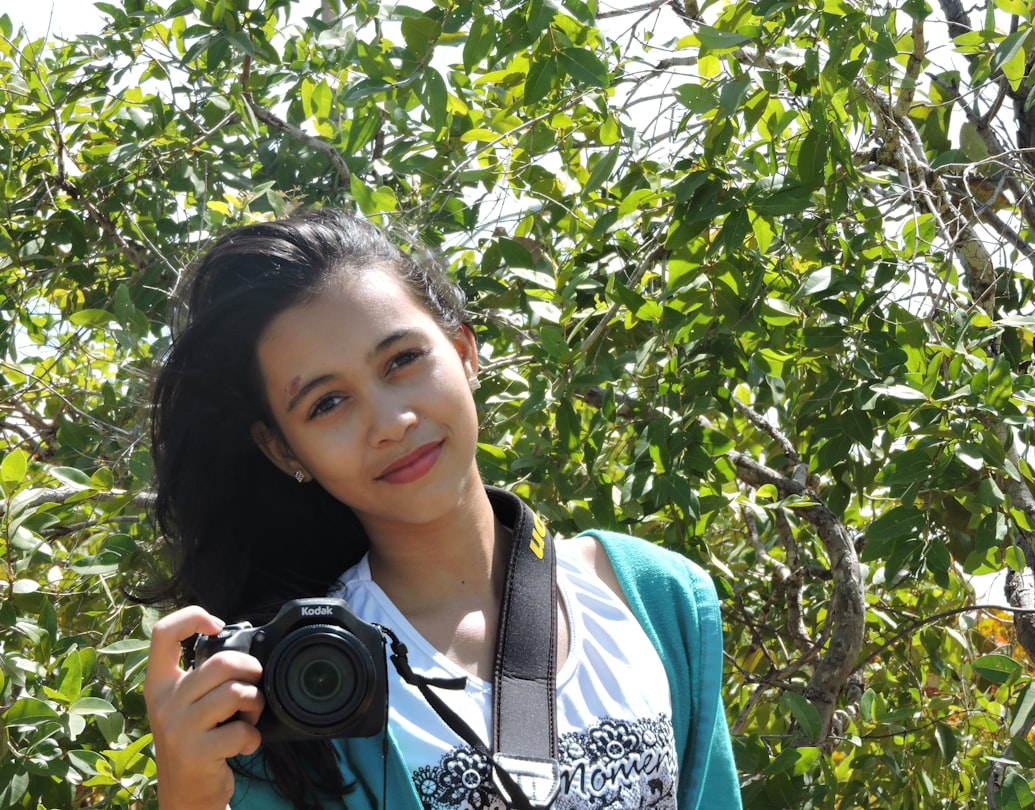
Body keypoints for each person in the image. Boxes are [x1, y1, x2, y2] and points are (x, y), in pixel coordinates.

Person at [142, 208, 742, 810]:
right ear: (282, 449)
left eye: (402, 360)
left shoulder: (655, 597)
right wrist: (188, 795)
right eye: (327, 403)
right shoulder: (297, 681)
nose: (391, 422)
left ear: (464, 351)